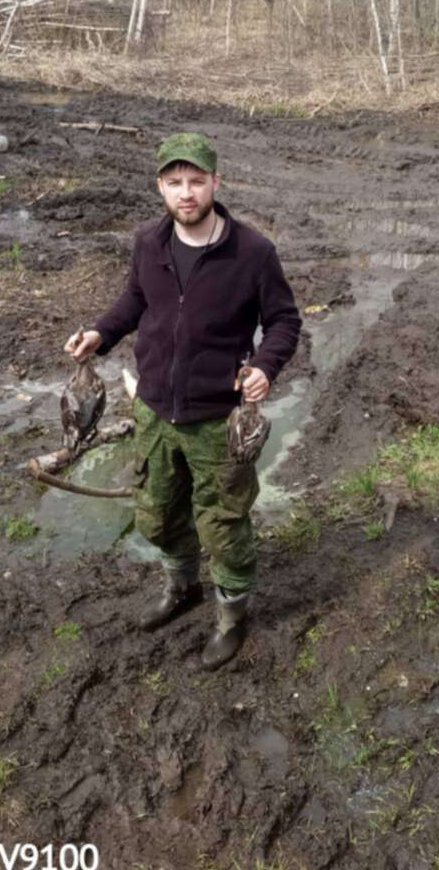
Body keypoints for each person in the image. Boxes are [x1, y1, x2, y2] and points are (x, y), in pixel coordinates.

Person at [64, 132, 301, 669]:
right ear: (161, 187)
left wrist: (264, 367)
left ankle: (231, 616)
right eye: (175, 183)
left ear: (216, 182)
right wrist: (101, 333)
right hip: (153, 410)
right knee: (158, 510)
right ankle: (181, 587)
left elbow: (284, 320)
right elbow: (135, 299)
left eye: (196, 181)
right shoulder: (149, 242)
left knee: (222, 521)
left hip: (218, 419)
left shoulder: (253, 252)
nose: (186, 193)